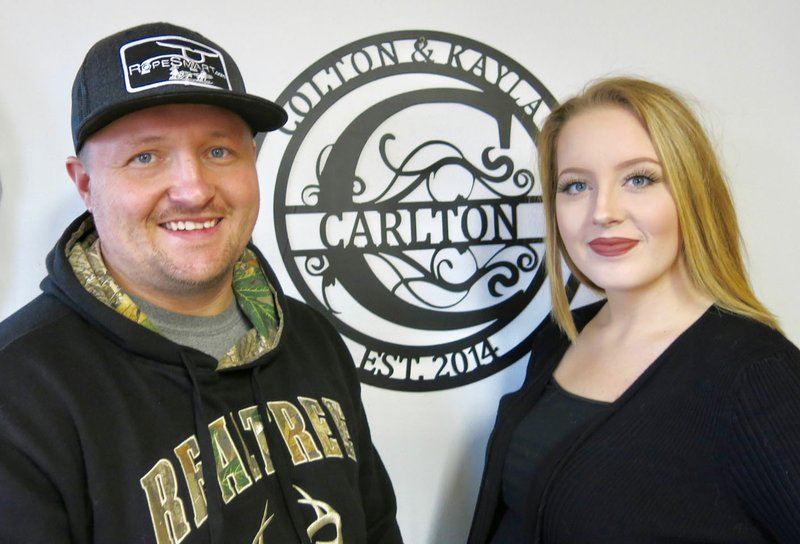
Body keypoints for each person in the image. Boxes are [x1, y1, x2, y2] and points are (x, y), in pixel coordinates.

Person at [0, 22, 403, 544]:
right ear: (85, 184)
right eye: (145, 157)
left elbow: (375, 528)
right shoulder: (19, 392)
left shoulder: (311, 338)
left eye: (218, 151)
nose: (192, 190)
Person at [468, 76, 800, 543]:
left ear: (692, 194)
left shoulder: (756, 374)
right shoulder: (563, 337)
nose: (603, 210)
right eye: (576, 185)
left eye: (639, 179)